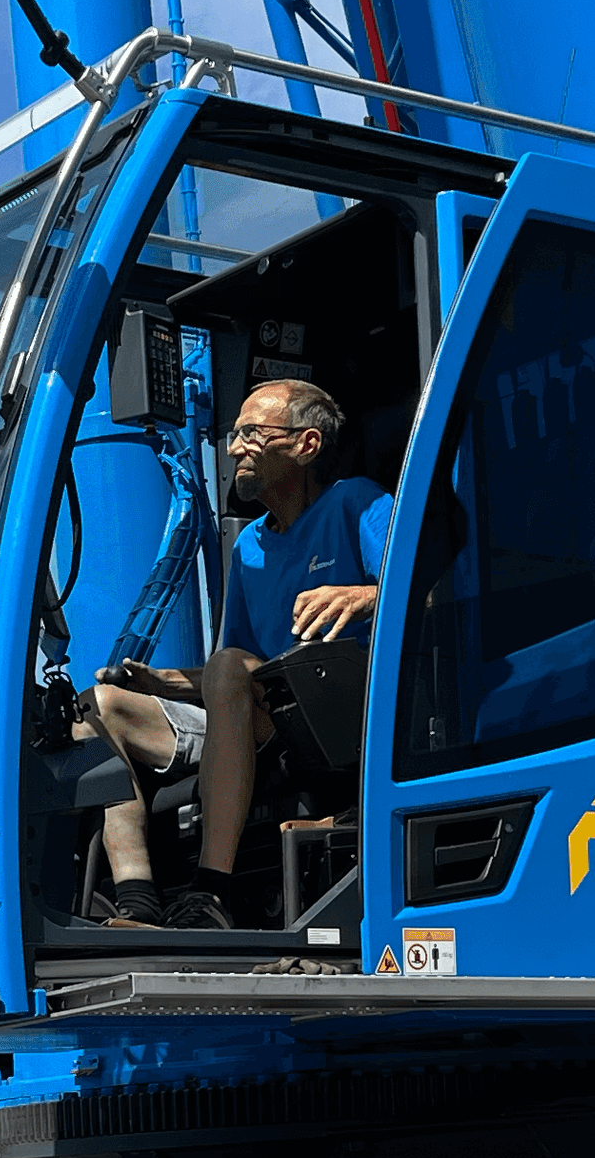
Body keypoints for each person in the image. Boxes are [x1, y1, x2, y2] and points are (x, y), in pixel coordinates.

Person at [87, 376, 393, 928]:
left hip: (340, 716)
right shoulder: (249, 544)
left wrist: (366, 593)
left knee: (227, 669)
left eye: (251, 433)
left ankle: (211, 894)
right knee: (103, 705)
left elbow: (428, 590)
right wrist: (161, 683)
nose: (233, 449)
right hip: (266, 715)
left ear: (306, 445)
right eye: (232, 435)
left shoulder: (356, 502)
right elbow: (235, 671)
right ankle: (138, 900)